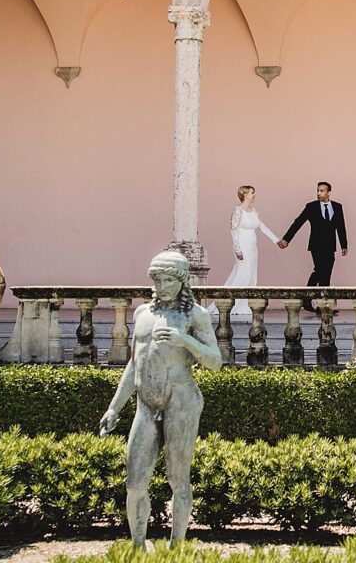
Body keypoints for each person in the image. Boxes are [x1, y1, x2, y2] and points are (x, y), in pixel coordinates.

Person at [97, 251, 221, 551]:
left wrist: (185, 341)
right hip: (145, 403)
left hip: (181, 400)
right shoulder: (143, 314)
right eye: (158, 280)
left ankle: (176, 546)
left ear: (182, 281)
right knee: (135, 483)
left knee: (178, 478)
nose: (162, 286)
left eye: (169, 280)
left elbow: (215, 361)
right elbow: (133, 364)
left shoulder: (195, 316)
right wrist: (114, 407)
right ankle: (138, 546)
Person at [279, 181, 349, 311]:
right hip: (316, 245)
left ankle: (323, 305)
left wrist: (343, 244)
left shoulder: (337, 207)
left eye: (322, 191)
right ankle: (307, 299)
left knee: (326, 273)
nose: (319, 193)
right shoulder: (311, 207)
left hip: (330, 246)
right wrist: (286, 239)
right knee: (319, 269)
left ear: (329, 192)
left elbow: (341, 226)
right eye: (318, 190)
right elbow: (298, 222)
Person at [220, 185, 279, 320]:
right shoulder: (238, 211)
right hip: (242, 246)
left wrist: (276, 240)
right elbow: (233, 230)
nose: (254, 195)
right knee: (243, 274)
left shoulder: (254, 211)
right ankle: (229, 303)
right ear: (245, 194)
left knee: (252, 274)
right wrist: (237, 249)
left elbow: (261, 227)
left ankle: (245, 305)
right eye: (252, 193)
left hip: (253, 246)